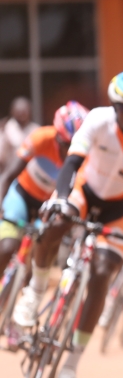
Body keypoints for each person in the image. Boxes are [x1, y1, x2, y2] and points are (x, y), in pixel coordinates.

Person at [13, 70, 123, 378]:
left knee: (102, 274)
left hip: (119, 209)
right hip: (85, 191)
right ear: (115, 106)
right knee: (56, 222)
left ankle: (70, 366)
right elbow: (71, 164)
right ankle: (36, 290)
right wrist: (59, 199)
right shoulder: (98, 121)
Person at [0, 101, 89, 278]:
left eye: (74, 146)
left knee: (37, 261)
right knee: (8, 247)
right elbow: (8, 175)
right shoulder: (40, 137)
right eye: (65, 144)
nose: (69, 151)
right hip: (22, 196)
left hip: (49, 205)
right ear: (57, 135)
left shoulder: (85, 156)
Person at [0, 97, 38, 175]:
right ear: (12, 111)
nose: (22, 114)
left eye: (24, 111)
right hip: (10, 174)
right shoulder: (6, 129)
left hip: (31, 174)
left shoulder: (36, 130)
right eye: (19, 111)